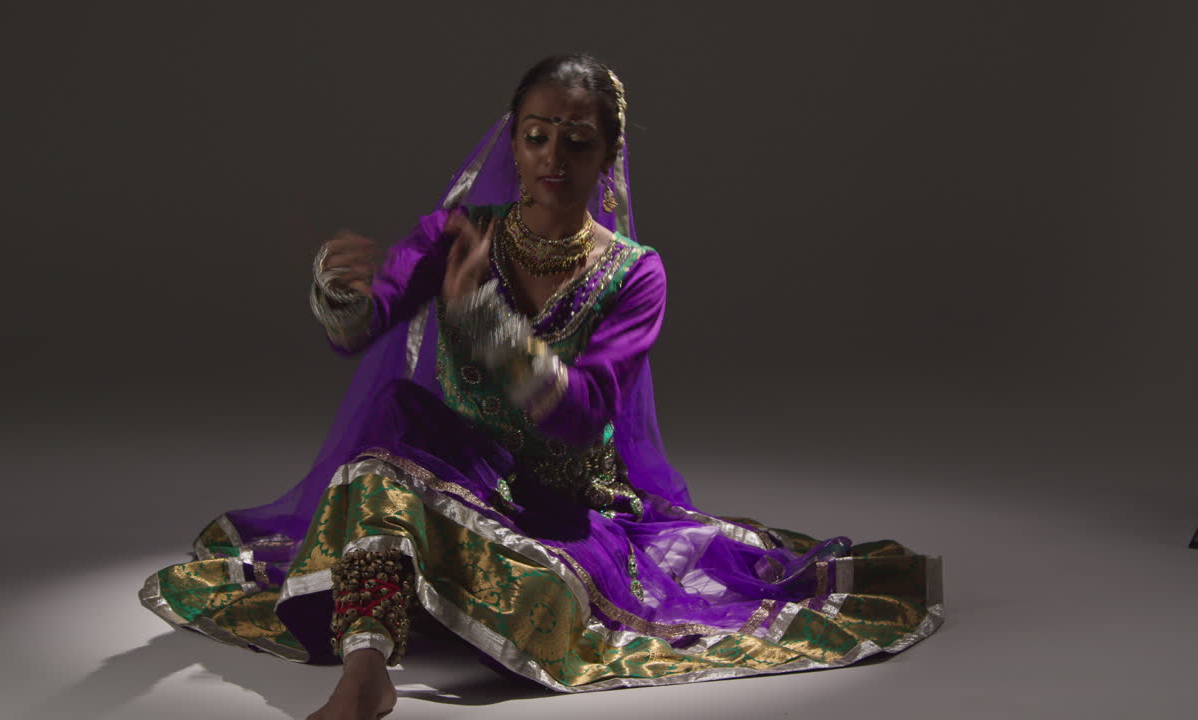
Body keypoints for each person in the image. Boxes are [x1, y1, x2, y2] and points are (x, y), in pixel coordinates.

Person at [140, 54, 943, 720]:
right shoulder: (461, 234)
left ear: (608, 156)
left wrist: (485, 325)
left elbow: (584, 410)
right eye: (537, 137)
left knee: (543, 609)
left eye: (578, 143)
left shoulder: (634, 274)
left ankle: (425, 592)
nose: (555, 161)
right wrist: (342, 294)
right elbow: (364, 329)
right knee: (385, 438)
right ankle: (365, 672)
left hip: (560, 509)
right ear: (513, 143)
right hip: (452, 470)